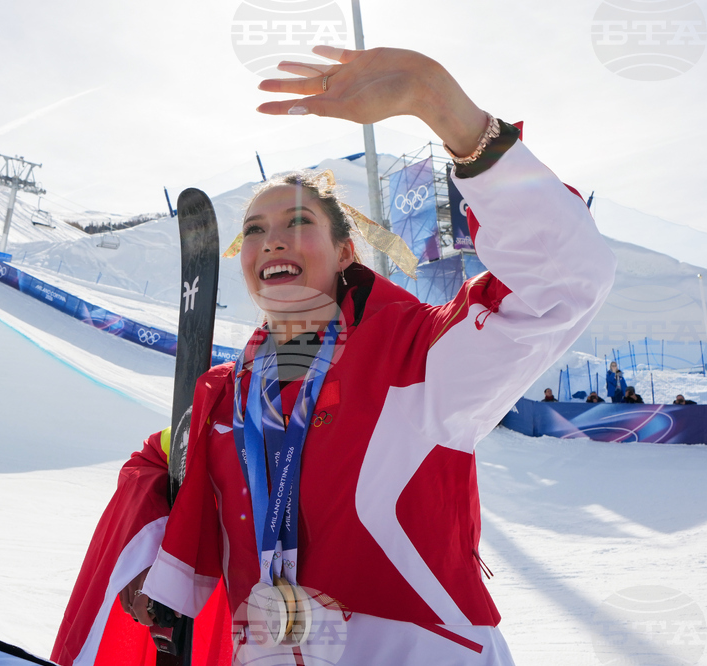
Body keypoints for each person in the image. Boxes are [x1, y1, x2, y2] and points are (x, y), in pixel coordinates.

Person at [52, 46, 616, 666]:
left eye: (297, 223)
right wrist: (154, 550)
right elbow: (165, 456)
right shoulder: (226, 397)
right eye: (256, 230)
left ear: (345, 253)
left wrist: (444, 108)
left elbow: (561, 284)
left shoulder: (417, 361)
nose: (272, 242)